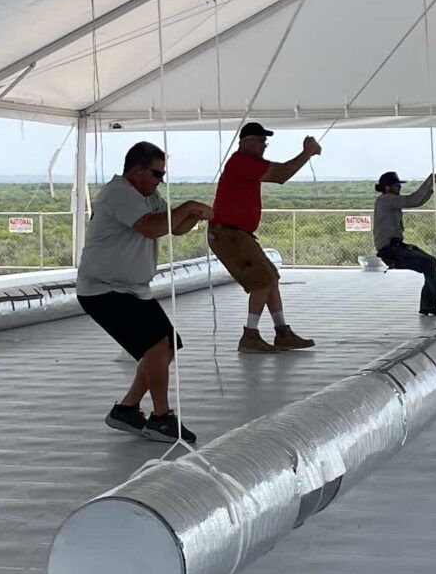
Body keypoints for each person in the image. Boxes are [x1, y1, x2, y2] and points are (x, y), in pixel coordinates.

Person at [77, 139, 209, 446]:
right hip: (103, 289)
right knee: (155, 346)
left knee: (169, 345)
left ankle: (126, 408)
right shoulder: (120, 192)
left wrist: (192, 215)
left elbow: (172, 228)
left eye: (162, 174)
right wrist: (187, 207)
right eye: (156, 173)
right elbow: (150, 227)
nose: (159, 180)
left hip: (133, 289)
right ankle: (161, 417)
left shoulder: (148, 194)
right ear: (136, 170)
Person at [207, 119, 320, 352]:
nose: (264, 145)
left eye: (264, 141)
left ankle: (282, 332)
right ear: (246, 142)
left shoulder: (246, 163)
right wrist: (306, 153)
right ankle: (250, 335)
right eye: (260, 140)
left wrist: (304, 155)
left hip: (236, 233)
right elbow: (281, 175)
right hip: (228, 233)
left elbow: (281, 171)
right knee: (263, 279)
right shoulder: (241, 162)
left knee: (271, 277)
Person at [375, 170, 436, 316]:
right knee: (429, 264)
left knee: (431, 263)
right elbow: (411, 201)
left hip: (395, 246)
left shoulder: (388, 199)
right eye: (396, 185)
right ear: (387, 187)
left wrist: (429, 188)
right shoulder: (386, 199)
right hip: (390, 249)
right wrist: (427, 184)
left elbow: (416, 201)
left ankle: (429, 305)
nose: (399, 188)